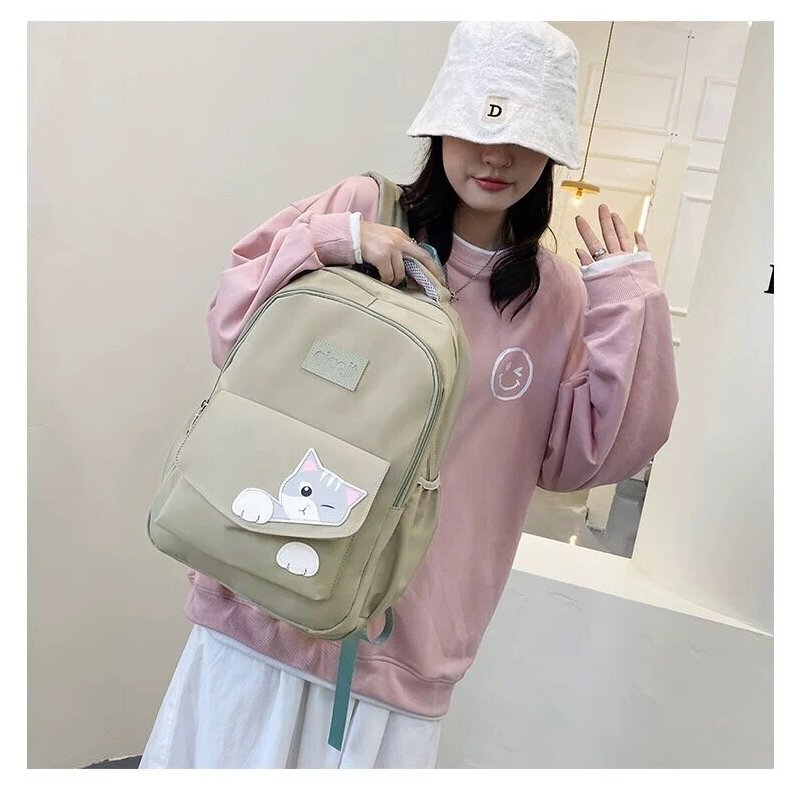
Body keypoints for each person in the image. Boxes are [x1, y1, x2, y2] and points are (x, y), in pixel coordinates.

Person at [140, 21, 679, 769]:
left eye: (522, 136)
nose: (495, 155)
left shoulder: (553, 296)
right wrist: (335, 241)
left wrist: (628, 301)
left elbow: (586, 458)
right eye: (475, 127)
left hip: (404, 646)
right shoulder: (364, 208)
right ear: (441, 127)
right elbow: (233, 327)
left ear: (551, 151)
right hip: (266, 599)